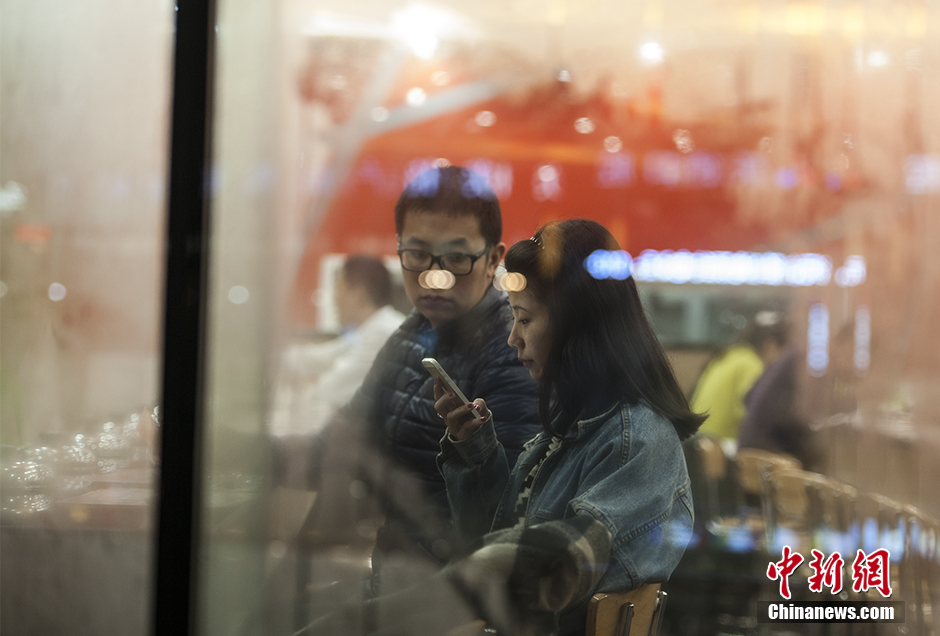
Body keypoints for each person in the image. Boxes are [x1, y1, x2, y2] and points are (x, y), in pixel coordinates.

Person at [431, 219, 705, 635]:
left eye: (524, 319)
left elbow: (552, 564)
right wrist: (476, 450)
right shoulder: (574, 427)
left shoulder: (637, 439)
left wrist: (425, 601)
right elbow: (500, 540)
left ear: (575, 325)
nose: (513, 338)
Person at [281, 166, 541, 594]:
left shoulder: (513, 353)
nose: (434, 277)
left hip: (458, 600)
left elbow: (503, 521)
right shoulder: (412, 333)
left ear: (494, 259)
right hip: (394, 581)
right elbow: (338, 445)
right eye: (417, 254)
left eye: (456, 258)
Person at [271, 255, 405, 436]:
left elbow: (331, 390)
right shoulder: (367, 330)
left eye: (339, 288)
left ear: (358, 294)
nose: (335, 298)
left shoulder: (383, 332)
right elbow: (320, 357)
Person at [690, 311, 788, 451]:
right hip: (718, 446)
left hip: (697, 443)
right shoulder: (750, 364)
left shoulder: (731, 355)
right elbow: (753, 413)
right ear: (770, 345)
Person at [737, 316, 820, 469]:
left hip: (747, 454)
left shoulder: (741, 355)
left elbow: (748, 399)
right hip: (765, 462)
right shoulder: (801, 359)